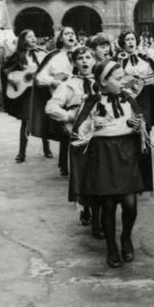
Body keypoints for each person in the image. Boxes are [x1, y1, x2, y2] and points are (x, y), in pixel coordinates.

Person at [70, 60, 154, 268]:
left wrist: (138, 125)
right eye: (118, 78)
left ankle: (126, 236)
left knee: (130, 204)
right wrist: (91, 124)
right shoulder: (91, 102)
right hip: (103, 155)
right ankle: (111, 246)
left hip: (126, 153)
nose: (123, 81)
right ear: (103, 82)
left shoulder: (127, 99)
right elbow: (78, 132)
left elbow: (143, 123)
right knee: (107, 205)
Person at [45, 46, 101, 235]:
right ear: (74, 63)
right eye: (80, 58)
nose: (85, 61)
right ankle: (84, 207)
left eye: (88, 57)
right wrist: (69, 116)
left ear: (94, 60)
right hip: (79, 138)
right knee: (82, 175)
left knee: (99, 175)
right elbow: (51, 107)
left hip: (101, 135)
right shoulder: (69, 85)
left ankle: (98, 218)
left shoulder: (102, 81)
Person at [31, 27, 78, 175]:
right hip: (62, 98)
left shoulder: (81, 53)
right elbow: (39, 77)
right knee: (67, 131)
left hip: (78, 95)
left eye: (72, 33)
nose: (70, 36)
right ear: (61, 38)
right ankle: (65, 165)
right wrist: (54, 82)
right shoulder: (54, 57)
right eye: (67, 34)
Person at [1, 30, 52, 162]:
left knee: (43, 118)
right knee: (26, 121)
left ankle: (47, 148)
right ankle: (21, 152)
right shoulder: (18, 55)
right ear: (23, 40)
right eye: (30, 36)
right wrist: (12, 78)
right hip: (25, 94)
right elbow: (6, 70)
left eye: (34, 36)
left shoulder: (40, 54)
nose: (34, 38)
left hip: (40, 92)